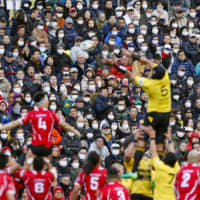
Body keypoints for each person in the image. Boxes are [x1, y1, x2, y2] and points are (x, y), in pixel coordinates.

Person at [121, 49, 171, 179]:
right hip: (166, 115)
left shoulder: (149, 84)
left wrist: (130, 55)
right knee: (160, 142)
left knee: (142, 138)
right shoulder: (165, 76)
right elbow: (147, 61)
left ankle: (135, 170)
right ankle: (158, 173)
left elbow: (132, 76)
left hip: (153, 114)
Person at [0, 91, 80, 156]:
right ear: (44, 102)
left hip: (35, 146)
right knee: (49, 164)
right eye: (47, 100)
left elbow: (15, 123)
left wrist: (2, 128)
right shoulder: (50, 114)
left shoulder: (32, 114)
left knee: (27, 162)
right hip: (47, 146)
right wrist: (75, 131)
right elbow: (64, 125)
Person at [143, 126, 180, 200]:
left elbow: (153, 152)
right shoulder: (177, 169)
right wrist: (169, 140)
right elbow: (172, 153)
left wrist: (152, 137)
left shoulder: (160, 167)